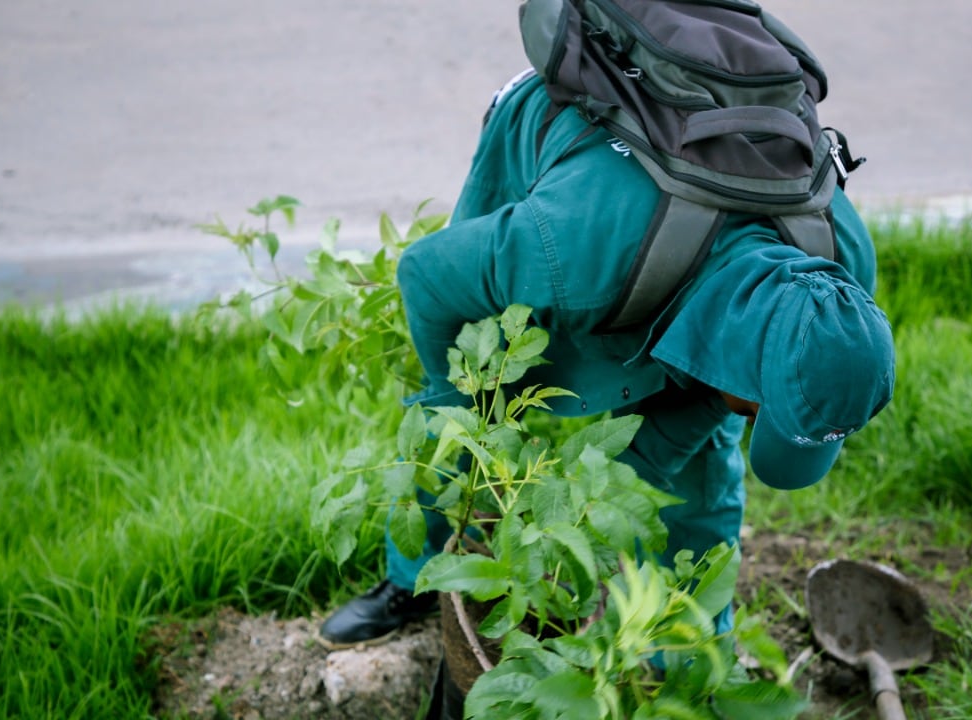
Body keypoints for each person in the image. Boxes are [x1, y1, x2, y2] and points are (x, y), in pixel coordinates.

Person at [317, 68, 894, 648]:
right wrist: (462, 412)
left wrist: (607, 502)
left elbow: (696, 422)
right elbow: (426, 275)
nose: (750, 423)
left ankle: (686, 649)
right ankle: (413, 579)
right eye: (756, 414)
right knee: (467, 392)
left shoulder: (842, 279)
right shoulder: (570, 252)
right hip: (562, 139)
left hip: (687, 214)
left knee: (699, 470)